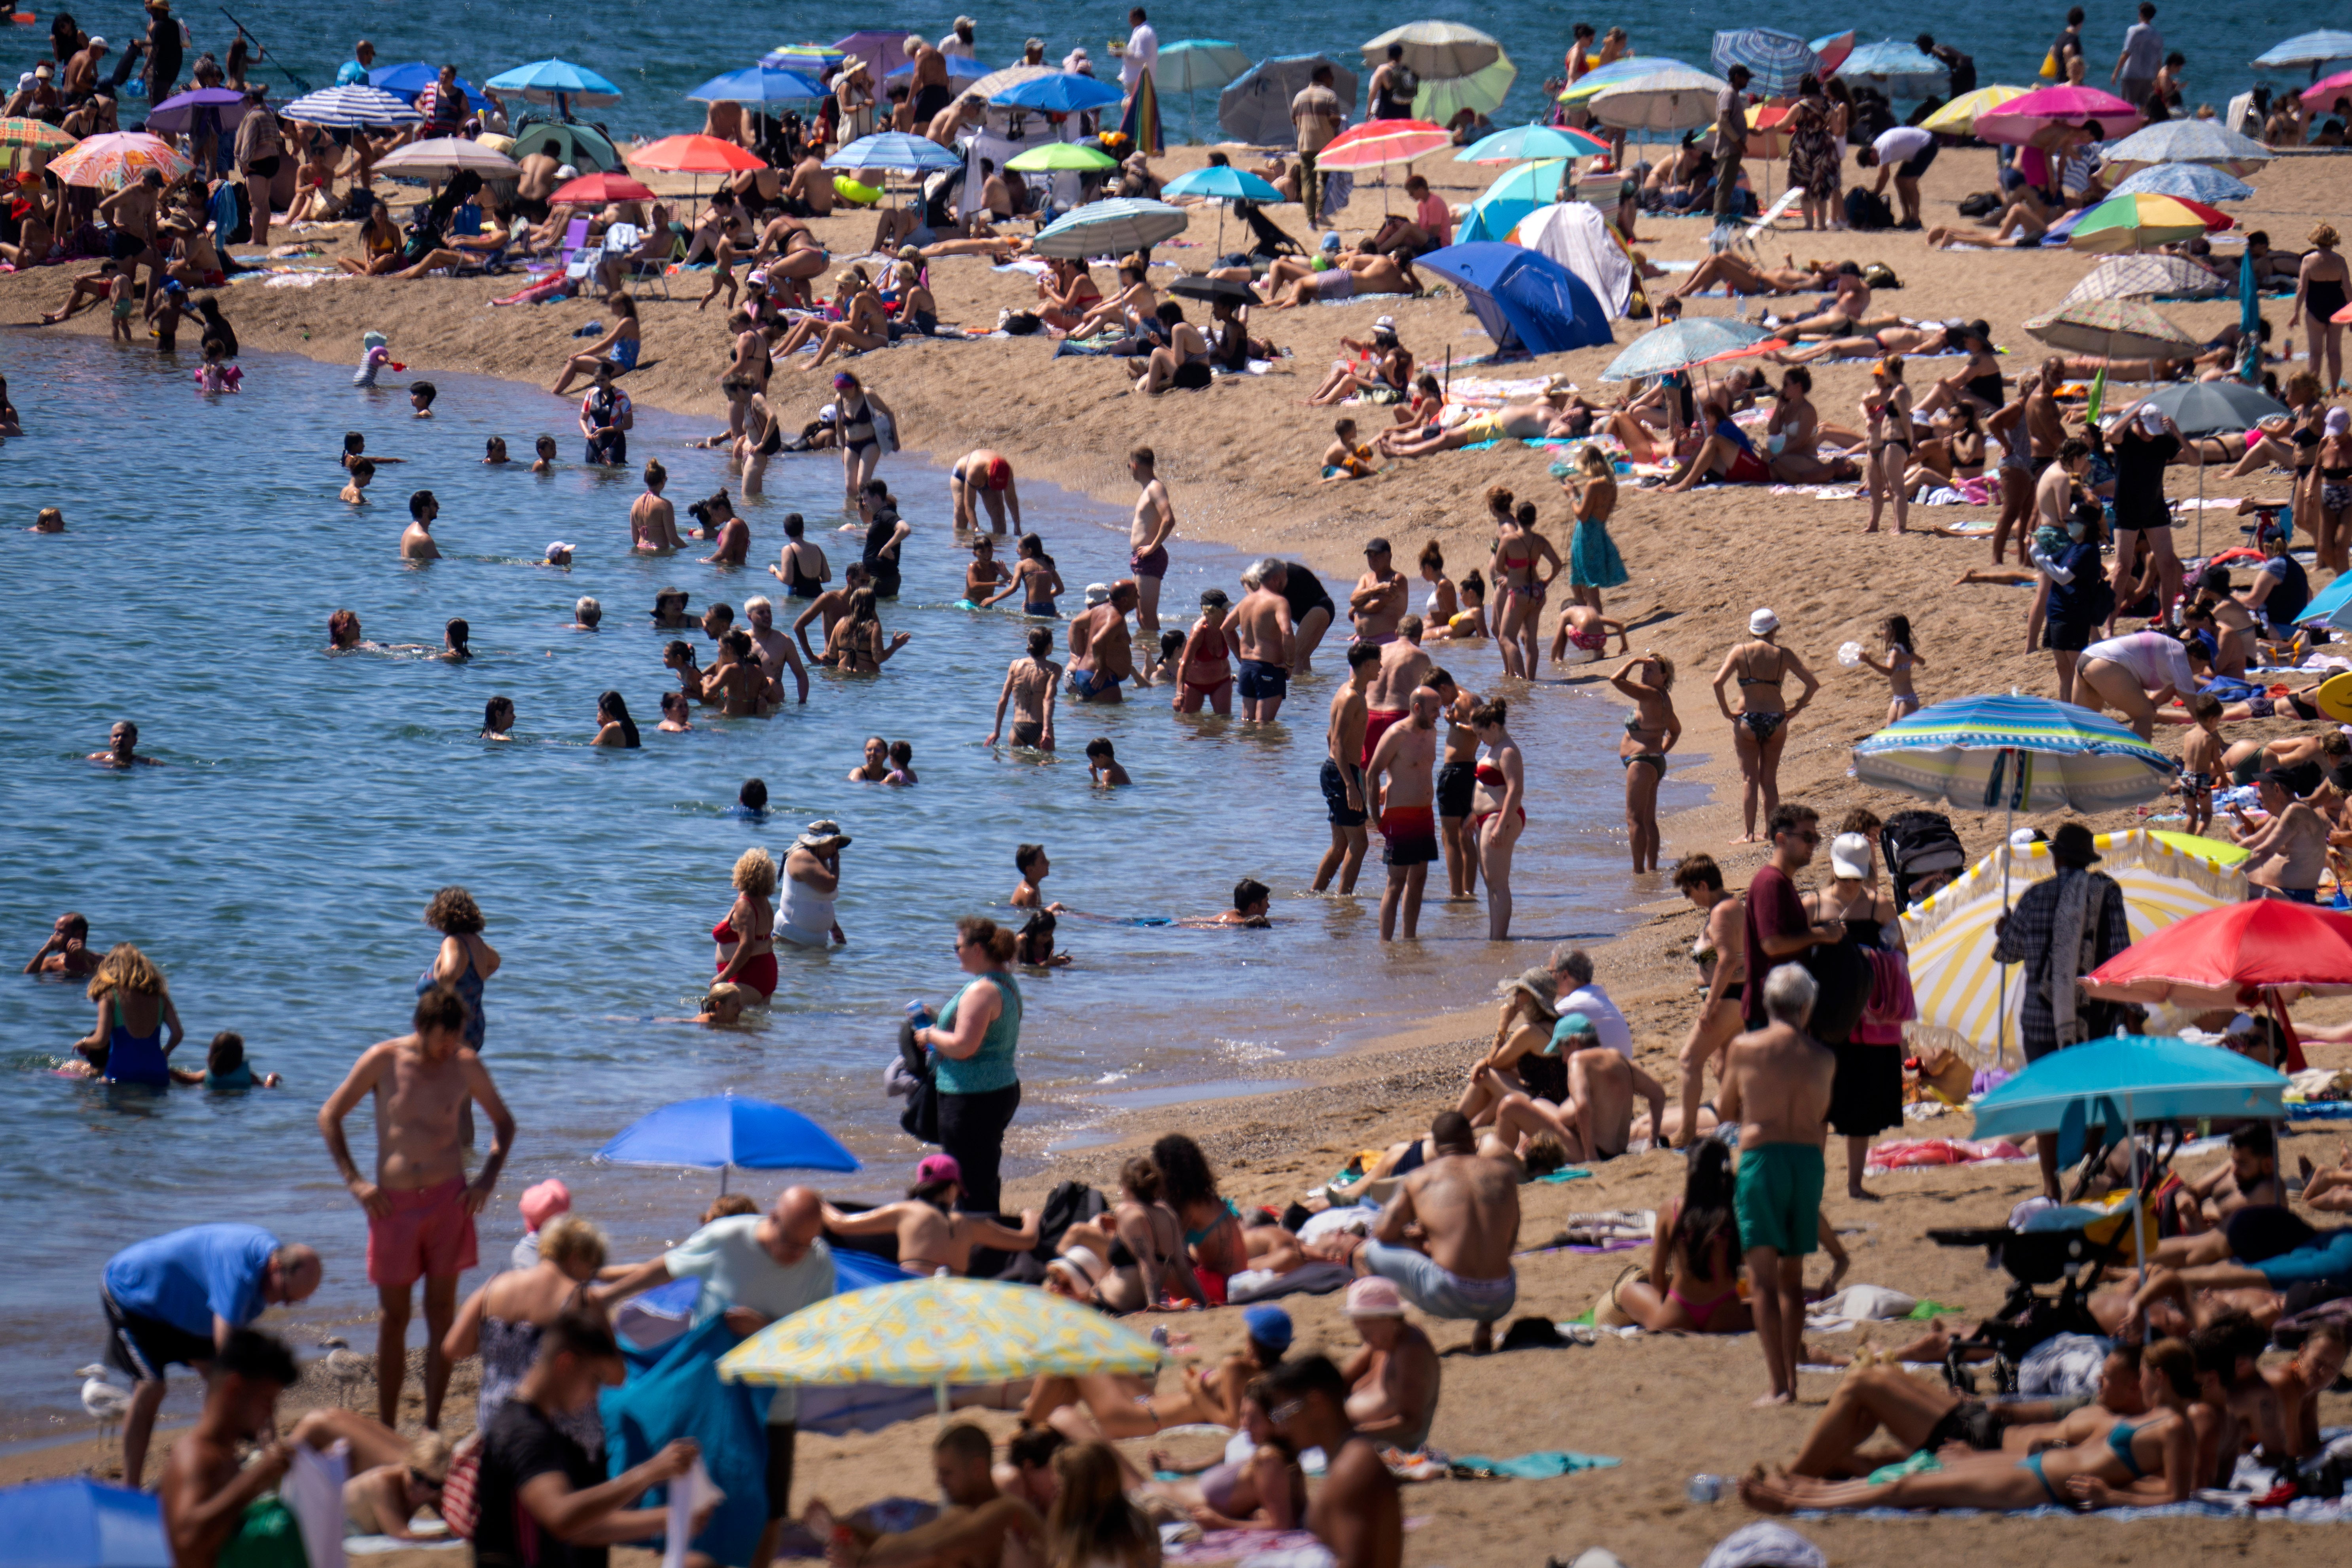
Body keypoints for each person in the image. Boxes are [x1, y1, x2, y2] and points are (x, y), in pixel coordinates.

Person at [318, 983, 515, 1431]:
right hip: (393, 1207)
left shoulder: (464, 1064)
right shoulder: (383, 1060)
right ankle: (386, 1426)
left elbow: (505, 1123)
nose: (451, 1049)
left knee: (441, 1315)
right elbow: (330, 1115)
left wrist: (487, 1178)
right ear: (420, 1028)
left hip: (448, 1202)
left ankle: (430, 1421)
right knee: (393, 1320)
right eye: (444, 1041)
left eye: (458, 1039)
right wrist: (355, 1182)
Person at [600, 1189, 831, 1563]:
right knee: (690, 1499)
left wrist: (764, 1330)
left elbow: (818, 1337)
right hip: (708, 1400)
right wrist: (607, 1296)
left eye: (807, 1245)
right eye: (791, 1242)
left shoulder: (819, 1262)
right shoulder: (726, 1238)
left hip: (774, 1407)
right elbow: (665, 1267)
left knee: (768, 1509)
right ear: (772, 1219)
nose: (797, 1255)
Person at [1742, 1337, 2204, 1513]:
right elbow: (2039, 1421)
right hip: (2006, 1447)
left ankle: (1799, 1489)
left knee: (1906, 1471)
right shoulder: (2132, 1416)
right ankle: (1805, 1486)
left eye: (2131, 1376)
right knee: (1902, 1465)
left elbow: (2179, 1490)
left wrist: (2113, 1496)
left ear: (2155, 1379)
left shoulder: (2167, 1426)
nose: (2101, 1381)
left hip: (2015, 1464)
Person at [471, 1309, 709, 1568]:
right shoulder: (524, 1432)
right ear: (565, 1364)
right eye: (596, 1380)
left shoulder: (533, 1424)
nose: (595, 1396)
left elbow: (579, 1529)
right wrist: (648, 1473)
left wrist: (667, 1518)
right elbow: (561, 1516)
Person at [102, 1227, 322, 1487]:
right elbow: (229, 1353)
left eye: (295, 1302)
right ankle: (130, 1489)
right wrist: (267, 1428)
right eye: (286, 1295)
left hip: (188, 1309)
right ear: (275, 1266)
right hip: (133, 1292)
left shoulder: (270, 1271)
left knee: (222, 1384)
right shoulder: (240, 1270)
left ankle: (214, 1464)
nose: (285, 1305)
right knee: (152, 1387)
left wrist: (264, 1431)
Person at [1716, 963, 1836, 1406]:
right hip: (1806, 1161)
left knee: (1763, 1280)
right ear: (1806, 1007)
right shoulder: (1825, 1058)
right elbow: (1821, 1112)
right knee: (1793, 1277)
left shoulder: (1746, 1048)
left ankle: (1779, 1386)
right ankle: (1794, 1378)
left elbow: (1727, 1108)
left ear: (1768, 1004)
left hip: (1763, 1157)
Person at [1991, 823, 2129, 1195]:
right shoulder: (2106, 893)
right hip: (2092, 1017)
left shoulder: (2034, 897)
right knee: (2094, 1097)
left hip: (2041, 1018)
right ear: (2087, 859)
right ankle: (2086, 1173)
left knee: (2047, 1105)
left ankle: (2051, 1186)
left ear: (2056, 857)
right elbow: (2119, 954)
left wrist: (2004, 929)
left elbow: (2007, 953)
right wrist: (2130, 1010)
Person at [1331, 1110, 1520, 1353]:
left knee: (1364, 1254)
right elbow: (1510, 1242)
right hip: (1503, 1297)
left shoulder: (1420, 1178)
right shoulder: (1504, 1175)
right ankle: (1485, 1328)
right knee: (1493, 1250)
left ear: (1437, 1148)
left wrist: (1420, 1237)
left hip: (1449, 1293)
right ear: (1474, 1142)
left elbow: (1383, 1233)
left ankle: (1384, 1342)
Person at [443, 1213, 611, 1457]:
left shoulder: (491, 1288)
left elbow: (454, 1348)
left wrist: (499, 1344)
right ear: (575, 1258)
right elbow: (615, 1372)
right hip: (558, 1427)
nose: (592, 1276)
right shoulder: (582, 1299)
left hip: (496, 1421)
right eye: (593, 1266)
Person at [1807, 833, 1905, 1199]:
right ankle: (1814, 1184)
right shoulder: (1813, 906)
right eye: (1845, 876)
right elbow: (1793, 954)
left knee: (1859, 1106)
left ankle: (1854, 1184)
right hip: (1826, 1018)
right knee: (1820, 1105)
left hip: (1867, 1022)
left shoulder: (1880, 907)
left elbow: (1902, 956)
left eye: (1856, 877)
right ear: (1832, 868)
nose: (1850, 884)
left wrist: (1872, 958)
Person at [807, 1422, 1042, 1568]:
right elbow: (907, 1544)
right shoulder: (964, 1513)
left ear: (978, 1469)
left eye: (947, 1473)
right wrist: (845, 1532)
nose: (939, 1482)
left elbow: (935, 1551)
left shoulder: (1006, 1512)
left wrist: (861, 1563)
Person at [911, 917, 1023, 1214]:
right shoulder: (1005, 983)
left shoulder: (981, 990)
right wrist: (938, 1018)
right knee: (982, 1173)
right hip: (998, 1090)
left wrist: (930, 1034)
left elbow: (964, 1047)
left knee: (967, 1179)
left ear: (976, 949)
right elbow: (982, 1035)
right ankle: (987, 1237)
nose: (955, 952)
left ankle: (974, 1246)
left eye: (957, 946)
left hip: (972, 1096)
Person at [1263, 1354, 1402, 1568]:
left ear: (1316, 1404)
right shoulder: (1348, 1459)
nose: (1282, 1428)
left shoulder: (1353, 1469)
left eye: (1285, 1414)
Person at [823, 1154, 1039, 1277]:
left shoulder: (904, 1212)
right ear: (954, 1188)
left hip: (913, 1295)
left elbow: (839, 1224)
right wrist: (1031, 1218)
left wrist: (819, 1204)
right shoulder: (971, 1224)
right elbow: (1027, 1240)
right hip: (951, 1302)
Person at [1712, 610, 1820, 842]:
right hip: (1776, 718)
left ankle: (1749, 834)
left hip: (1747, 718)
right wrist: (1796, 709)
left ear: (1753, 630)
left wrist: (1726, 711)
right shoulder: (1784, 654)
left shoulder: (1740, 651)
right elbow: (1813, 684)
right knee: (1769, 781)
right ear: (1775, 630)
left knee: (1749, 780)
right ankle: (1773, 832)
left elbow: (1717, 682)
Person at [1364, 686, 1441, 942]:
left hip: (1425, 815)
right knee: (1396, 883)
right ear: (1416, 708)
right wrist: (1376, 816)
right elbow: (1373, 772)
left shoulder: (1432, 733)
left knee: (1419, 879)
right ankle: (1385, 944)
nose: (1438, 715)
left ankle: (1410, 939)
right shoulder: (1397, 734)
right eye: (1434, 710)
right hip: (1400, 816)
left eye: (1440, 710)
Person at [1335, 1276, 1441, 1450]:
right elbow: (1340, 1384)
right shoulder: (1381, 1342)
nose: (1363, 1336)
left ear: (1389, 1317)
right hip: (1359, 1438)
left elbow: (1411, 1423)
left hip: (1393, 1446)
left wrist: (1354, 1434)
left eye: (1366, 1327)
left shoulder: (1412, 1353)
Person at [69, 940, 184, 1086]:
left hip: (121, 1072)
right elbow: (178, 1034)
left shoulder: (110, 996)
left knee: (90, 1101)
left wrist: (83, 1042)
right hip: (157, 1072)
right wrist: (165, 1053)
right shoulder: (161, 997)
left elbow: (101, 1040)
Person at [1316, 643, 1381, 894]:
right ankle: (1345, 900)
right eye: (1378, 663)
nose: (1381, 668)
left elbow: (1329, 735)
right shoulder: (1351, 696)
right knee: (1360, 842)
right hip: (1342, 774)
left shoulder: (1351, 691)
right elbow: (1337, 742)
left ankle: (1316, 895)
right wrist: (1350, 784)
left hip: (1338, 771)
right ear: (1367, 665)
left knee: (1341, 845)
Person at [1468, 698, 1525, 940]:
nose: (1480, 740)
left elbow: (1516, 790)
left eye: (1481, 734)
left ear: (1493, 726)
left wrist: (1501, 825)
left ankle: (1499, 939)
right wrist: (1474, 815)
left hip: (1501, 817)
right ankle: (1495, 936)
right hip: (1487, 818)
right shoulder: (1494, 749)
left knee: (1498, 883)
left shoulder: (1508, 751)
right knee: (1490, 882)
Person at [2290, 223, 2348, 397]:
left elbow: (2302, 289)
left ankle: (2313, 392)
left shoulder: (2309, 260)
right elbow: (2348, 289)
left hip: (2315, 308)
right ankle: (2335, 389)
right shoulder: (2340, 261)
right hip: (2338, 309)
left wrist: (2296, 313)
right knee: (2334, 352)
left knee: (2315, 353)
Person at [1233, 562, 1296, 720]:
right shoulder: (1279, 602)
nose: (1286, 583)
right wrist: (1290, 664)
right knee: (1265, 727)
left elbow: (1226, 628)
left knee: (1247, 723)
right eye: (1285, 578)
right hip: (1269, 668)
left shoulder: (1246, 602)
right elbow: (1287, 633)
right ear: (1276, 579)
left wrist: (1241, 658)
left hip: (1247, 667)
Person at [1126, 447, 1176, 636]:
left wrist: (1151, 548)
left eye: (1128, 466)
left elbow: (1169, 520)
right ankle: (1146, 657)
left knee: (1147, 616)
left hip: (1150, 556)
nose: (1129, 470)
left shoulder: (1156, 488)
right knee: (1140, 616)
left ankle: (1162, 660)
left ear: (1135, 465)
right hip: (1141, 557)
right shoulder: (1147, 490)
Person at [1068, 579, 1141, 704]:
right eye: (1135, 594)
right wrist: (1102, 669)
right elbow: (1097, 641)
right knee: (1115, 721)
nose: (1138, 597)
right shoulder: (1117, 619)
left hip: (1083, 674)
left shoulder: (1099, 610)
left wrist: (1081, 655)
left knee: (1094, 720)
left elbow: (1076, 624)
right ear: (1124, 600)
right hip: (1101, 680)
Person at [1290, 64, 1344, 228]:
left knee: (1308, 182)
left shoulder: (1299, 97)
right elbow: (1334, 119)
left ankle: (1311, 220)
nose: (1333, 80)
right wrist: (1341, 120)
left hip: (1305, 145)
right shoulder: (1330, 96)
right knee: (1327, 181)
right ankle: (1322, 214)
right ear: (1323, 77)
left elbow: (1294, 120)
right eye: (1330, 76)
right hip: (1326, 145)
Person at [1712, 64, 1752, 225]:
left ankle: (1724, 216)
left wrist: (1749, 131)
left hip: (1733, 148)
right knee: (1724, 185)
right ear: (1737, 77)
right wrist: (1738, 141)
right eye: (1745, 78)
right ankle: (1719, 219)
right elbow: (1723, 121)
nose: (1747, 81)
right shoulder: (1728, 93)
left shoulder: (1733, 94)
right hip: (1728, 148)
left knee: (1728, 186)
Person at [25, 911, 100, 978]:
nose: (54, 937)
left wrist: (86, 957)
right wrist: (44, 951)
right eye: (55, 932)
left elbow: (106, 978)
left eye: (60, 932)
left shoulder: (102, 961)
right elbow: (28, 977)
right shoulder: (52, 964)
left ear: (78, 935)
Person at [89, 719, 159, 769]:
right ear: (110, 740)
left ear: (134, 741)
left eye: (125, 736)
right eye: (116, 736)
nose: (120, 739)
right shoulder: (96, 759)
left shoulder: (148, 763)